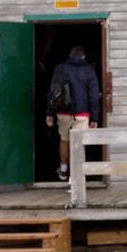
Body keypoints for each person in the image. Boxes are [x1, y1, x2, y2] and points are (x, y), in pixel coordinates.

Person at [45, 46, 102, 182]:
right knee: (79, 144)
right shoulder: (89, 71)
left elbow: (53, 91)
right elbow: (94, 96)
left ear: (70, 56)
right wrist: (95, 118)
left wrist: (49, 113)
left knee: (64, 140)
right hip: (82, 114)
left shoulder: (60, 68)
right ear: (83, 57)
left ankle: (63, 170)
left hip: (63, 112)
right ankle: (76, 176)